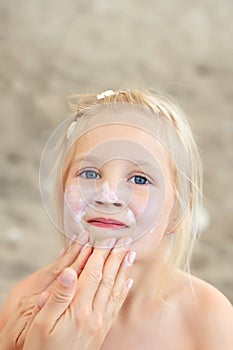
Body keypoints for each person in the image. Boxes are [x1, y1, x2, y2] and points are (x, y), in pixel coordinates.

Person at [0, 88, 232, 349]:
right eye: (89, 174)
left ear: (177, 212)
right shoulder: (28, 304)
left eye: (140, 179)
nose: (107, 196)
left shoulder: (208, 319)